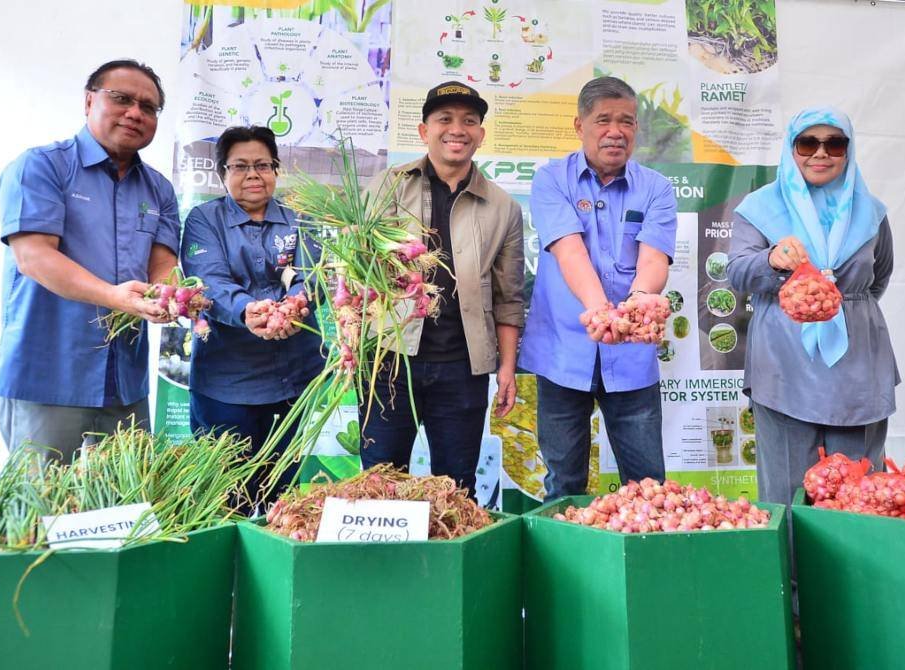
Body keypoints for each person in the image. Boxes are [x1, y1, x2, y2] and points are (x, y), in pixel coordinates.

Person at [0, 60, 180, 463]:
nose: (135, 112)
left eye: (148, 107)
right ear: (89, 100)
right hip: (48, 375)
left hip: (124, 381)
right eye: (122, 98)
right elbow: (34, 256)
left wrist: (174, 295)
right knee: (40, 509)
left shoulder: (159, 189)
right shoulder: (42, 166)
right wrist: (114, 296)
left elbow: (162, 265)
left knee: (124, 507)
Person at [359, 81, 525, 498]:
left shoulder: (503, 207)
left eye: (469, 121)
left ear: (481, 134)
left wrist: (506, 368)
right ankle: (385, 563)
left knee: (455, 490)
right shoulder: (387, 187)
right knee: (380, 485)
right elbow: (353, 271)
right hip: (389, 362)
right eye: (445, 119)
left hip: (462, 369)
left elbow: (509, 298)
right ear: (423, 130)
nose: (458, 129)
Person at [728, 106, 898, 506]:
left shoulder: (871, 212)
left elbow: (879, 277)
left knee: (861, 489)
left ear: (848, 151)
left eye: (834, 144)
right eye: (808, 143)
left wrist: (841, 308)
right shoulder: (760, 207)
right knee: (787, 489)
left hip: (858, 366)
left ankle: (855, 570)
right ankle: (789, 570)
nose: (820, 154)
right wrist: (771, 261)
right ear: (792, 149)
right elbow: (736, 273)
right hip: (784, 363)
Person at [519, 76, 677, 500]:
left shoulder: (657, 189)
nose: (615, 131)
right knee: (564, 483)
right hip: (562, 353)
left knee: (647, 487)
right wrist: (601, 311)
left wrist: (639, 304)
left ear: (636, 129)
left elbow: (653, 260)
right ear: (579, 125)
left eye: (626, 121)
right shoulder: (551, 180)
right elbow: (569, 252)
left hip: (630, 357)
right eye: (603, 119)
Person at [180, 126, 324, 511]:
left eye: (263, 165)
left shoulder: (300, 220)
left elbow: (313, 275)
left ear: (276, 169)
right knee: (228, 499)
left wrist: (294, 306)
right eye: (240, 166)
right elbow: (207, 280)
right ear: (222, 173)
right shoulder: (203, 220)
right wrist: (248, 311)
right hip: (227, 386)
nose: (253, 175)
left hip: (295, 382)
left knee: (284, 501)